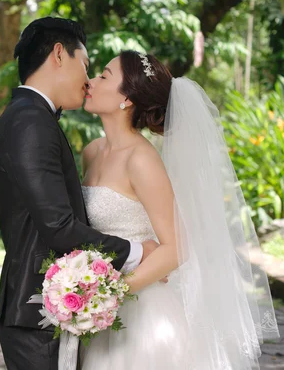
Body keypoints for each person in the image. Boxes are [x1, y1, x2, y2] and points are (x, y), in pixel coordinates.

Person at [79, 50, 279, 369]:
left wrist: (113, 293)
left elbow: (176, 248)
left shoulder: (141, 160)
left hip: (140, 310)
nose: (90, 81)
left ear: (126, 99)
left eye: (103, 75)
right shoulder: (92, 152)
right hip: (98, 301)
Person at [0, 17, 158, 370]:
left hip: (45, 310)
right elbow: (60, 226)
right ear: (59, 54)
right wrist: (140, 252)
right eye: (86, 64)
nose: (88, 78)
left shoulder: (32, 116)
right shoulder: (31, 122)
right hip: (36, 314)